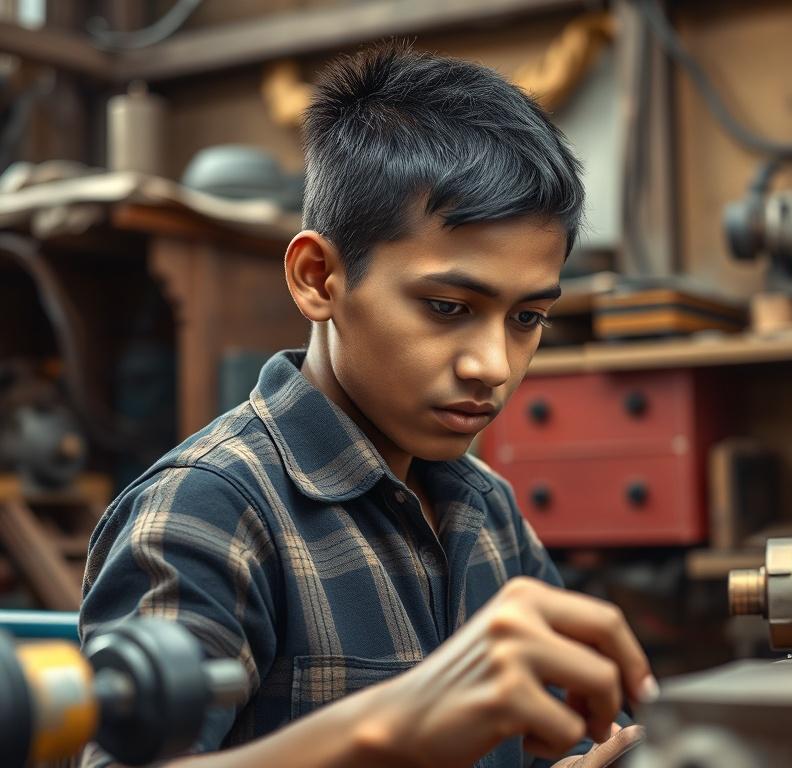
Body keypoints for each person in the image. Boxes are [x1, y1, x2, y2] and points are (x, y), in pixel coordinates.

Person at [78, 43, 654, 767]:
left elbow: (580, 734)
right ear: (319, 277)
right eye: (448, 306)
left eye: (527, 318)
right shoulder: (205, 515)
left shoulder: (489, 515)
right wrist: (374, 732)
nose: (493, 367)